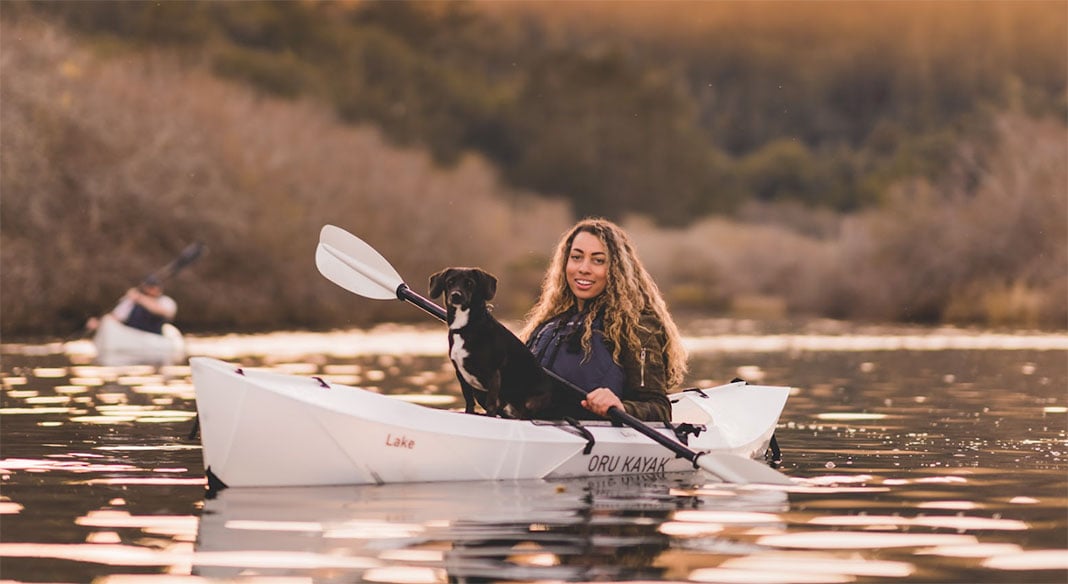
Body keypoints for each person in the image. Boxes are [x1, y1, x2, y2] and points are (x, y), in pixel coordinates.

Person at [520, 218, 687, 423]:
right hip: (538, 430)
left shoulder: (638, 326)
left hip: (599, 442)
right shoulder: (549, 324)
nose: (583, 268)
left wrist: (621, 407)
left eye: (598, 260)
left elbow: (659, 409)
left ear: (616, 270)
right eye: (576, 257)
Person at [86, 276, 178, 335]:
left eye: (153, 287)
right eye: (149, 287)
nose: (151, 290)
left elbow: (162, 311)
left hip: (154, 335)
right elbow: (116, 317)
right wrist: (99, 323)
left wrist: (139, 298)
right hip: (132, 333)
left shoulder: (166, 301)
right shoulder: (131, 301)